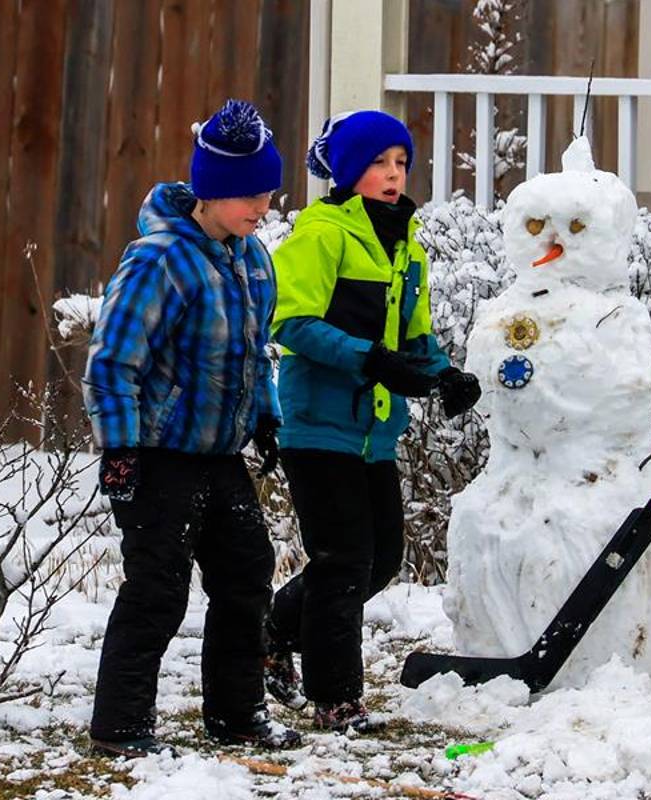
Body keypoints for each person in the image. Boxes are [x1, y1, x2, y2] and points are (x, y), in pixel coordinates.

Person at [84, 99, 299, 757]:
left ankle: (235, 715)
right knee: (157, 588)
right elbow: (112, 362)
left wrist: (265, 416)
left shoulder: (253, 260)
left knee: (246, 574)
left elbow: (253, 351)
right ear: (209, 191)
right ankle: (120, 728)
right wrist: (120, 450)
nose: (260, 208)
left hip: (218, 454)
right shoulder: (160, 260)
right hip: (155, 455)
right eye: (246, 196)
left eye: (266, 193)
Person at [263, 109, 481, 731]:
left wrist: (443, 374)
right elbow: (292, 323)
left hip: (375, 433)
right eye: (379, 164)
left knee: (380, 560)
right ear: (350, 170)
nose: (393, 175)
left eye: (401, 163)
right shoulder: (322, 233)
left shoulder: (406, 246)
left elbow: (415, 337)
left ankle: (273, 629)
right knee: (343, 560)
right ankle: (336, 697)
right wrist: (372, 360)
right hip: (318, 425)